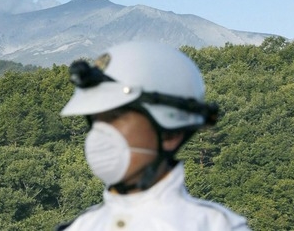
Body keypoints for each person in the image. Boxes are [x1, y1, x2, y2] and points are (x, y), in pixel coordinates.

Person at [57, 40, 250, 230]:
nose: (100, 134)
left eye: (116, 117)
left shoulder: (216, 226)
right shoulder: (80, 226)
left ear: (170, 134)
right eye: (96, 121)